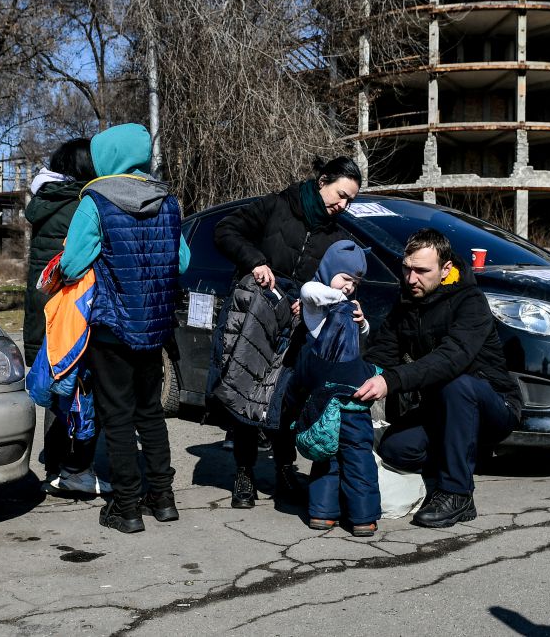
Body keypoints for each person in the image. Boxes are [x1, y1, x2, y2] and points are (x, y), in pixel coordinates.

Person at [60, 123, 190, 534]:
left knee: (116, 417)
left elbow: (71, 263)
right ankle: (163, 499)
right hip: (153, 328)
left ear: (105, 157)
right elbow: (182, 263)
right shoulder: (167, 202)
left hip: (112, 328)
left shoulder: (95, 201)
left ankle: (127, 507)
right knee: (150, 413)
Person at [212, 156, 362, 509]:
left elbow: (336, 281)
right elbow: (226, 231)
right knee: (246, 389)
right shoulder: (277, 205)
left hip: (298, 324)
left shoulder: (335, 235)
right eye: (340, 194)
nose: (343, 205)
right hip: (257, 312)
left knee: (284, 396)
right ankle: (244, 473)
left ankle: (284, 468)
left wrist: (312, 302)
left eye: (350, 201)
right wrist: (255, 261)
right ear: (322, 180)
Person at [355, 228, 523, 528]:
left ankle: (458, 493)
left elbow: (449, 360)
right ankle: (457, 451)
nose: (411, 278)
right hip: (441, 407)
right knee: (396, 449)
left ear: (446, 269)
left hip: (492, 405)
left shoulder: (470, 301)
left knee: (457, 383)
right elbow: (381, 354)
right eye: (406, 269)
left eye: (421, 271)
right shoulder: (407, 300)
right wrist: (348, 379)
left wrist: (391, 381)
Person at [23, 139, 110, 497]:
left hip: (43, 308)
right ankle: (78, 467)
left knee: (54, 380)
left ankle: (55, 468)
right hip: (75, 309)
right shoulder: (83, 204)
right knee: (82, 385)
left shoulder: (44, 201)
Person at [293, 240, 380, 535]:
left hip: (343, 398)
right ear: (329, 270)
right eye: (345, 278)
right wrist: (341, 299)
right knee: (330, 455)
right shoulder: (317, 304)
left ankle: (357, 517)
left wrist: (363, 322)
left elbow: (360, 339)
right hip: (331, 398)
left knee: (353, 455)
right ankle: (328, 513)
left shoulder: (346, 305)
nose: (349, 287)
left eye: (355, 283)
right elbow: (308, 290)